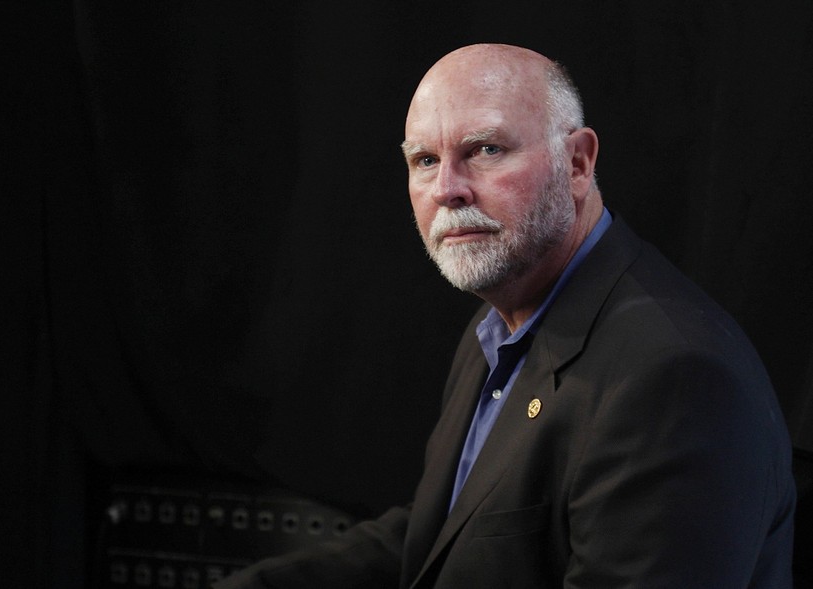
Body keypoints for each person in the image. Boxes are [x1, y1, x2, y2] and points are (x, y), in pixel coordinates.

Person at [215, 43, 795, 588]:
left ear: (577, 162)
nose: (448, 189)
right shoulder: (499, 323)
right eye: (424, 160)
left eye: (485, 150)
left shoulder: (674, 378)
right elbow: (442, 539)